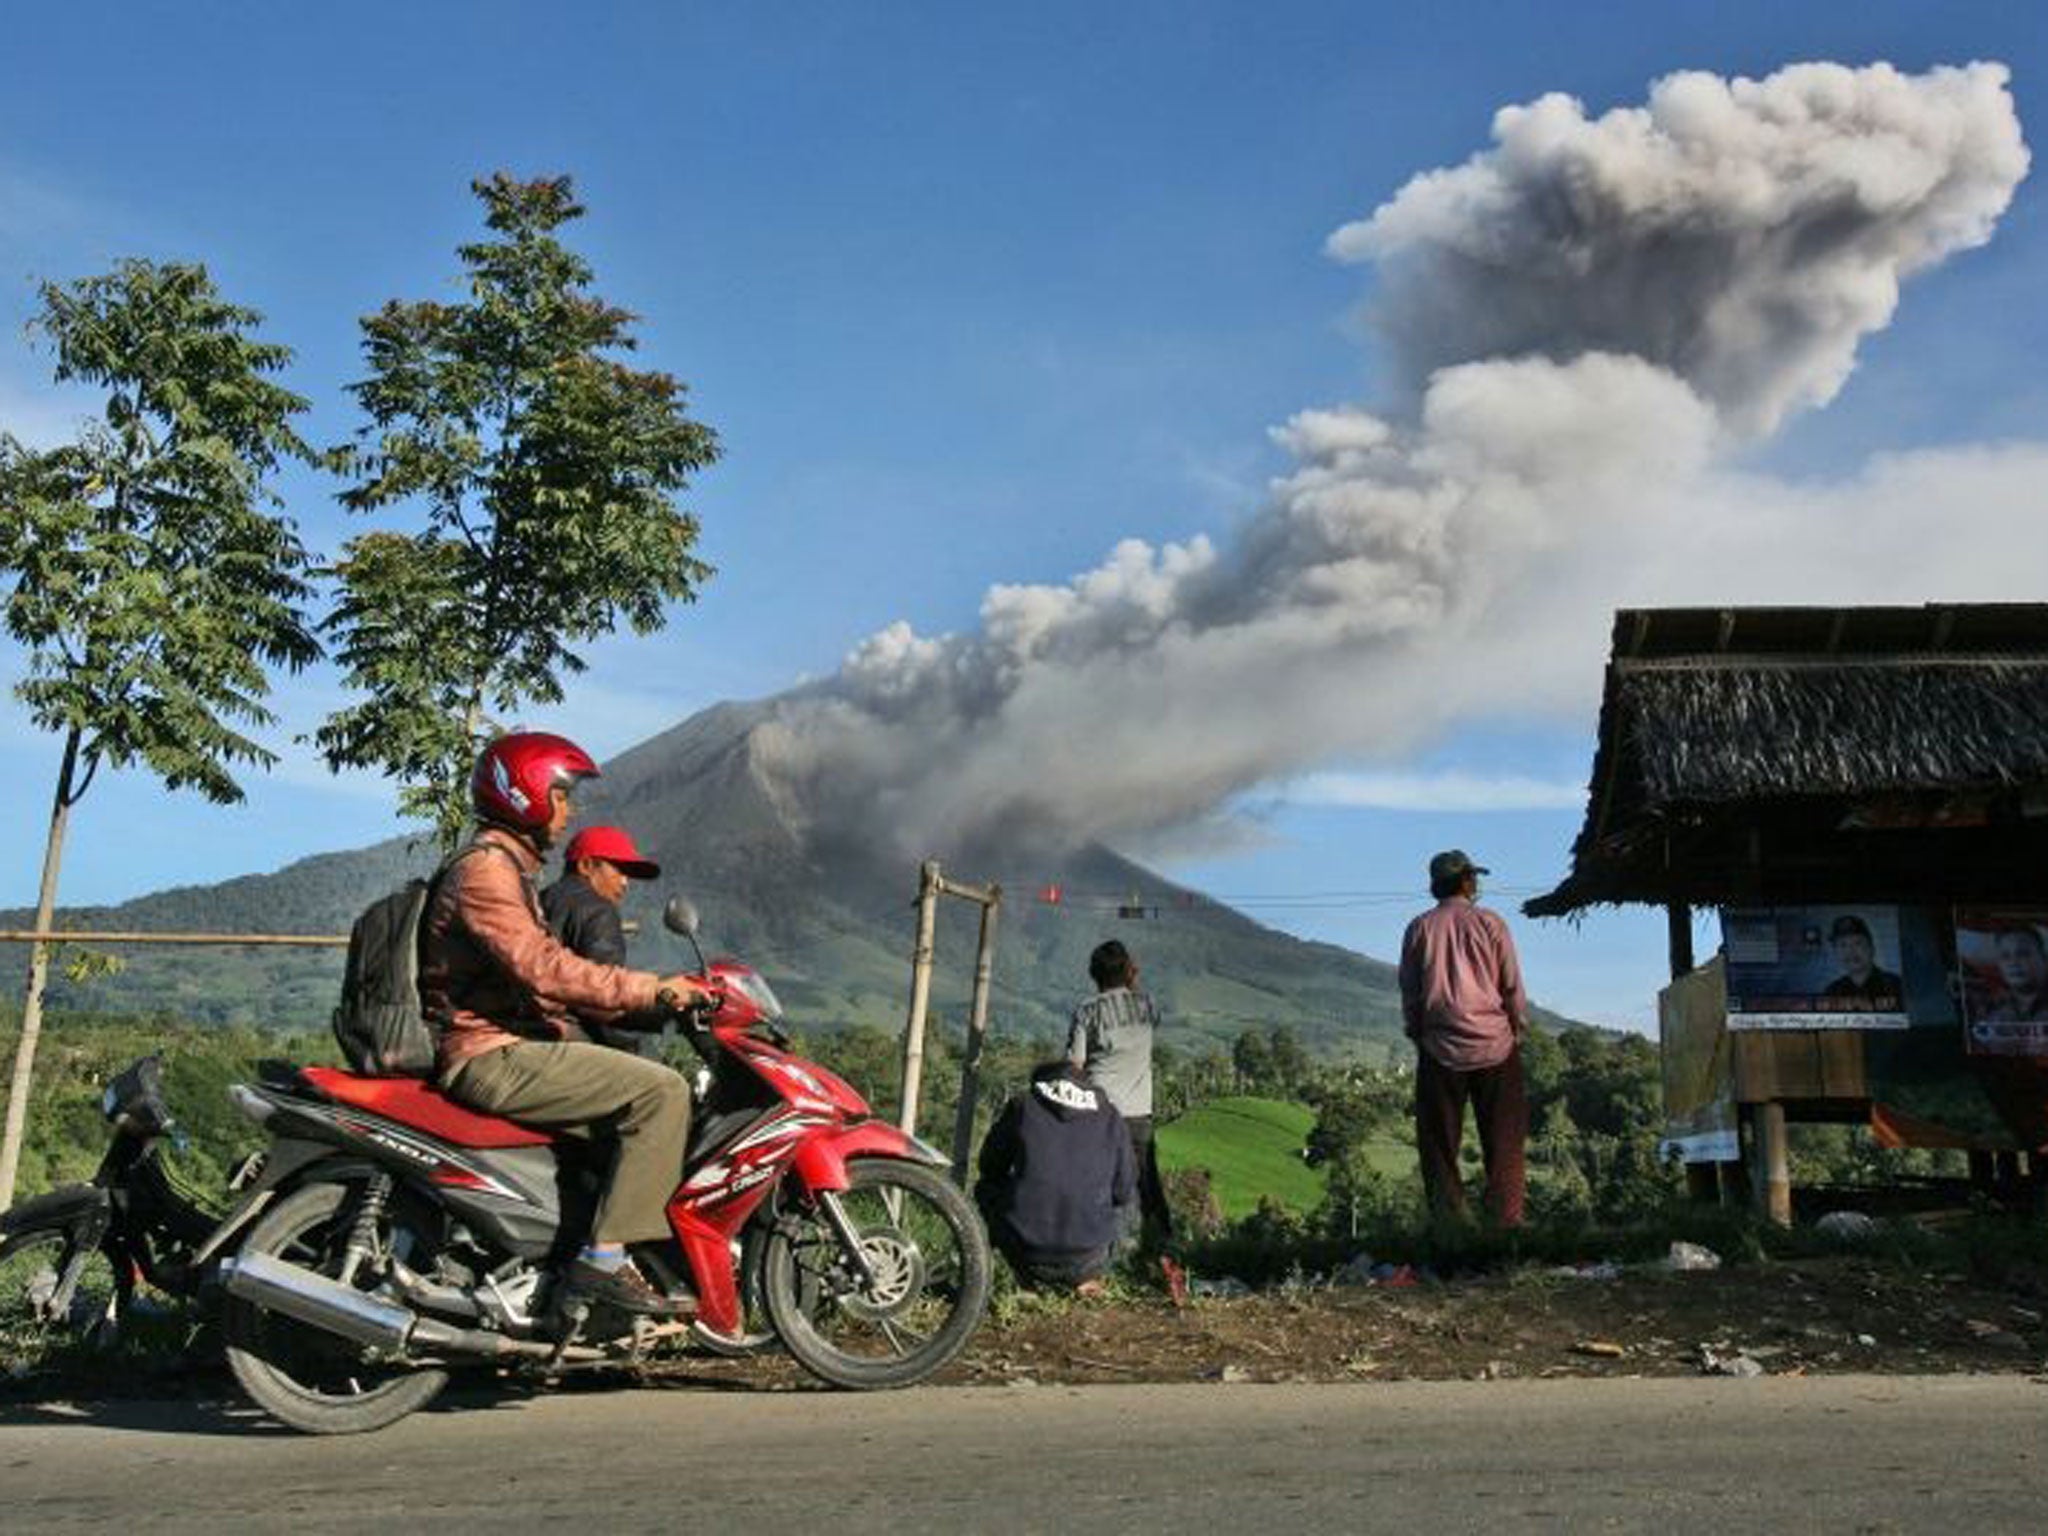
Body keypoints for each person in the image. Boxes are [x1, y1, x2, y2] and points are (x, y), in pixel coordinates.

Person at [421, 730, 714, 1317]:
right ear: (524, 793)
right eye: (561, 794)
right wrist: (651, 989)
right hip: (489, 1053)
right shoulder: (487, 872)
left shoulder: (509, 870)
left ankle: (563, 1269)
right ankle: (604, 1261)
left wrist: (648, 1003)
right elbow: (545, 969)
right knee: (661, 1091)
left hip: (505, 1042)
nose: (569, 809)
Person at [1398, 849, 1530, 1227]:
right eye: (1474, 878)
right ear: (1466, 881)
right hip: (1496, 1045)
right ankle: (1506, 1224)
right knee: (1505, 1142)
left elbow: (1411, 991)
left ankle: (1452, 1226)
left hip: (1440, 1049)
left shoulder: (1419, 928)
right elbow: (1511, 987)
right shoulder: (1491, 924)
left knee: (1439, 1145)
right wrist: (1515, 1028)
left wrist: (1418, 1031)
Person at [975, 1059, 1136, 1292]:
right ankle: (1088, 1278)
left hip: (1025, 1251)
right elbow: (1124, 1188)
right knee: (1128, 1201)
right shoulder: (1110, 1116)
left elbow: (989, 1167)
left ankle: (1022, 1277)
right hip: (1090, 1254)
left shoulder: (1023, 1106)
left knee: (985, 1188)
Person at [1066, 939, 1174, 1251]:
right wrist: (1132, 980)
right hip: (1138, 1116)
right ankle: (1162, 1255)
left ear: (1093, 974)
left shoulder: (1086, 1011)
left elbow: (1075, 1064)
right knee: (1147, 1189)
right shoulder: (1147, 1005)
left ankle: (1096, 1255)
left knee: (1097, 1187)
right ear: (1129, 970)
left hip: (1097, 1113)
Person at [541, 824, 664, 1053]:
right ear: (586, 865)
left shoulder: (542, 899)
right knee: (666, 1085)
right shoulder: (599, 910)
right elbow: (602, 999)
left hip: (533, 1033)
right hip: (567, 1043)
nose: (625, 883)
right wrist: (664, 1011)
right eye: (619, 869)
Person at [1821, 914, 1904, 1007]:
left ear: (1871, 948)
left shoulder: (1897, 987)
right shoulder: (1832, 992)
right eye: (1843, 945)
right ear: (1835, 952)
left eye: (1857, 943)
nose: (1850, 951)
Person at [1983, 925, 2048, 1023]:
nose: (2013, 963)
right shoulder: (1990, 1008)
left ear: (2044, 959)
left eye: (2023, 954)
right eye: (2005, 956)